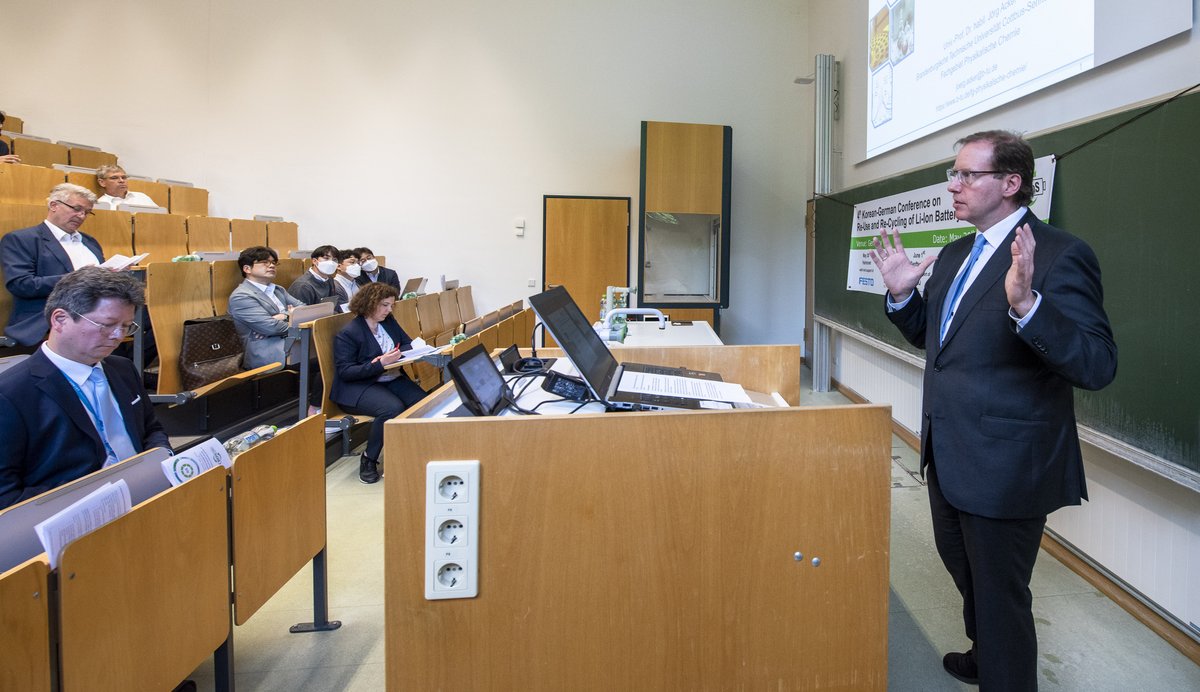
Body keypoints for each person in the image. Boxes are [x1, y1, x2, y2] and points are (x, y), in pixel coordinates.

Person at [870, 130, 1117, 690]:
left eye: (966, 175)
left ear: (1011, 183)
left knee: (1002, 599)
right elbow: (944, 346)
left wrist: (1029, 307)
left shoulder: (1060, 254)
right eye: (952, 174)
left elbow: (1097, 364)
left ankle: (1003, 672)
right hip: (949, 454)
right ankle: (985, 657)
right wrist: (904, 297)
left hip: (1007, 466)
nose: (952, 186)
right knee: (968, 574)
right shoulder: (959, 251)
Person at [0, 267, 171, 509]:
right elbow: (6, 494)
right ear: (60, 320)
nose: (118, 336)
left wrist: (162, 460)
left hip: (146, 496)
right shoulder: (11, 394)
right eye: (107, 325)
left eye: (126, 326)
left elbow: (151, 429)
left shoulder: (122, 368)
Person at [331, 282, 425, 483]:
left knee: (423, 402)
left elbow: (406, 342)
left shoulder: (388, 321)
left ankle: (414, 454)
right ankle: (369, 459)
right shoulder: (349, 333)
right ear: (369, 303)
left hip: (390, 378)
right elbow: (346, 372)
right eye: (384, 305)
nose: (389, 310)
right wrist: (380, 364)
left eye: (391, 305)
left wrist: (405, 353)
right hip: (358, 387)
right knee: (392, 409)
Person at [1, 183, 105, 346]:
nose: (81, 216)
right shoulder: (22, 239)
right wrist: (78, 278)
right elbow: (21, 284)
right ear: (54, 205)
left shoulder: (90, 242)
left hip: (97, 311)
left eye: (86, 212)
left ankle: (125, 368)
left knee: (149, 315)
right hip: (49, 316)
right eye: (76, 209)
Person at [227, 246, 323, 413]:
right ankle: (315, 408)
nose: (271, 266)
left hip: (290, 342)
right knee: (328, 359)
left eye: (273, 262)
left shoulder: (277, 289)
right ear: (247, 269)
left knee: (333, 353)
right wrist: (290, 314)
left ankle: (321, 406)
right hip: (268, 350)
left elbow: (305, 310)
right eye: (264, 262)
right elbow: (270, 327)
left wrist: (283, 315)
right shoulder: (241, 296)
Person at [93, 164, 160, 210]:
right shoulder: (100, 204)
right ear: (102, 182)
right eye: (114, 178)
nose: (121, 181)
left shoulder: (142, 197)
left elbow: (160, 218)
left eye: (124, 177)